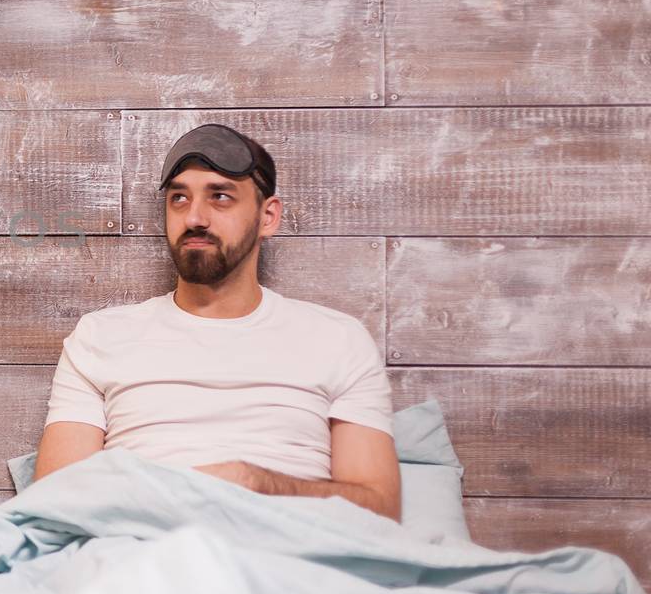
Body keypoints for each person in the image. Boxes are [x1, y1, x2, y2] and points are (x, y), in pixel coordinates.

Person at [31, 123, 402, 521]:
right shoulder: (100, 337)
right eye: (178, 198)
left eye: (220, 196)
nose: (194, 217)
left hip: (291, 550)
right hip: (139, 547)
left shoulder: (338, 340)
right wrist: (181, 497)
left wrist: (257, 485)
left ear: (268, 216)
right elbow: (56, 501)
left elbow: (379, 509)